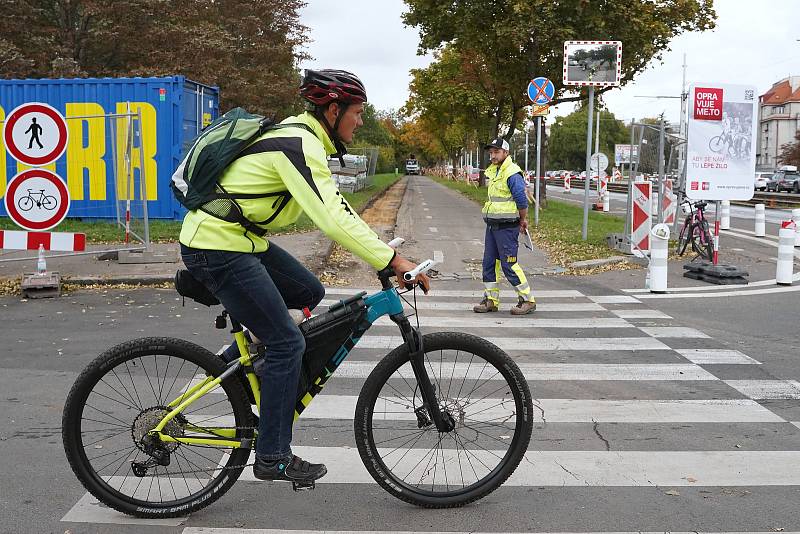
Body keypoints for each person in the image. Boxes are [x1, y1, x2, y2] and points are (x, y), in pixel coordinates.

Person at [179, 69, 430, 487]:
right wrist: (390, 259)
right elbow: (332, 216)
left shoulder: (302, 138)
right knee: (287, 342)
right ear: (333, 110)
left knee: (309, 291)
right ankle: (272, 456)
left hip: (239, 241)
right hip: (218, 246)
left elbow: (336, 208)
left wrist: (384, 255)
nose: (360, 120)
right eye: (357, 112)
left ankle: (254, 373)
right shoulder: (297, 143)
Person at [473, 138, 536, 315]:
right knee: (489, 264)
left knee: (509, 265)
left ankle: (527, 300)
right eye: (491, 152)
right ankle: (491, 300)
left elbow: (521, 200)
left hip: (507, 227)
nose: (492, 155)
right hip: (492, 226)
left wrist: (523, 220)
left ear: (506, 153)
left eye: (496, 152)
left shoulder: (512, 173)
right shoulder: (495, 171)